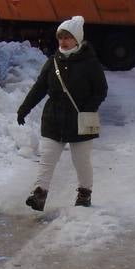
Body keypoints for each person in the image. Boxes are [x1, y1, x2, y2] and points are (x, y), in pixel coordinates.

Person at [16, 15, 108, 211]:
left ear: (77, 39)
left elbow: (101, 90)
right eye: (60, 38)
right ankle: (39, 194)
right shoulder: (53, 62)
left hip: (80, 120)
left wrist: (89, 108)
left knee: (81, 160)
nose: (63, 42)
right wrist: (24, 108)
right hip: (53, 118)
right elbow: (39, 88)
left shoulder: (90, 62)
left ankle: (84, 193)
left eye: (67, 37)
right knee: (47, 158)